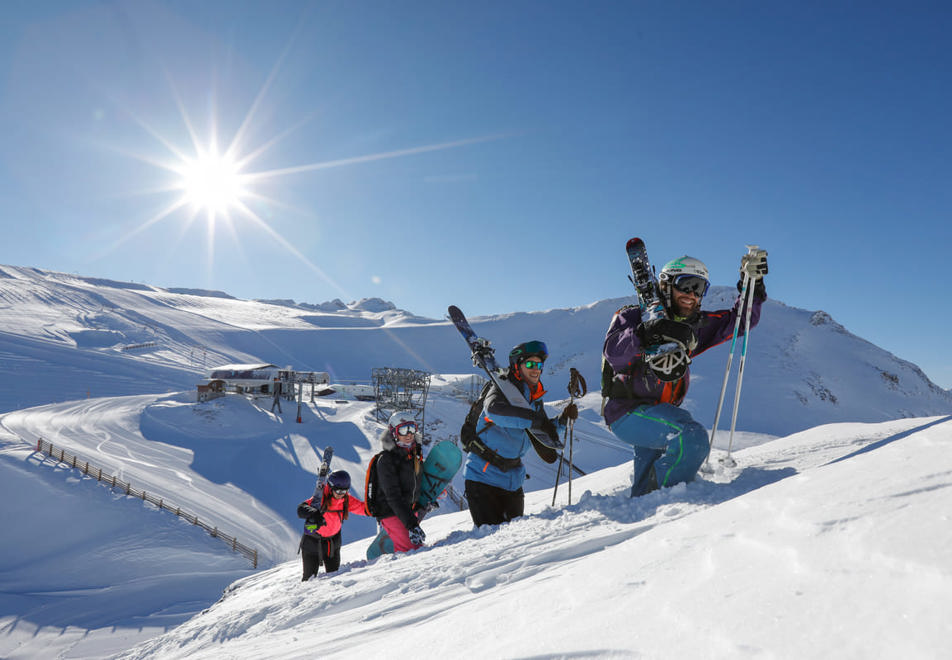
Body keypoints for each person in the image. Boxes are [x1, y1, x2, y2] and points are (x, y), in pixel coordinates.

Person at [602, 251, 768, 496]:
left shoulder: (693, 327)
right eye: (686, 285)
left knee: (653, 467)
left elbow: (741, 322)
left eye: (699, 288)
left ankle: (643, 510)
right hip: (628, 412)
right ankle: (661, 501)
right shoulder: (633, 316)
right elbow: (614, 353)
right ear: (666, 285)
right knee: (690, 437)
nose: (692, 295)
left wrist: (751, 287)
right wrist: (645, 333)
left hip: (662, 411)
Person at [463, 340, 576, 526]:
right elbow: (494, 411)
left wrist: (563, 420)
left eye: (539, 365)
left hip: (513, 480)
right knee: (491, 541)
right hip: (483, 479)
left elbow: (542, 433)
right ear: (517, 365)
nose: (536, 369)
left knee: (515, 537)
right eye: (530, 364)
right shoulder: (500, 388)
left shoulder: (533, 398)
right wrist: (535, 419)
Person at [297, 470, 369, 580]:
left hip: (333, 545)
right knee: (309, 579)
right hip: (312, 544)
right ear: (330, 488)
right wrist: (314, 513)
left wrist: (377, 508)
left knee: (334, 578)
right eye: (338, 491)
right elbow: (301, 509)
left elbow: (363, 508)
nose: (341, 494)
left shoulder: (346, 500)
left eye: (345, 491)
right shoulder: (320, 498)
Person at [373, 411, 427, 553]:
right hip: (391, 512)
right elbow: (393, 496)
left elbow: (415, 483)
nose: (409, 434)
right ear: (394, 432)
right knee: (410, 551)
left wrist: (425, 501)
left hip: (408, 509)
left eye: (412, 428)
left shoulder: (413, 453)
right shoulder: (386, 460)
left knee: (417, 548)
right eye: (403, 430)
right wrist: (411, 525)